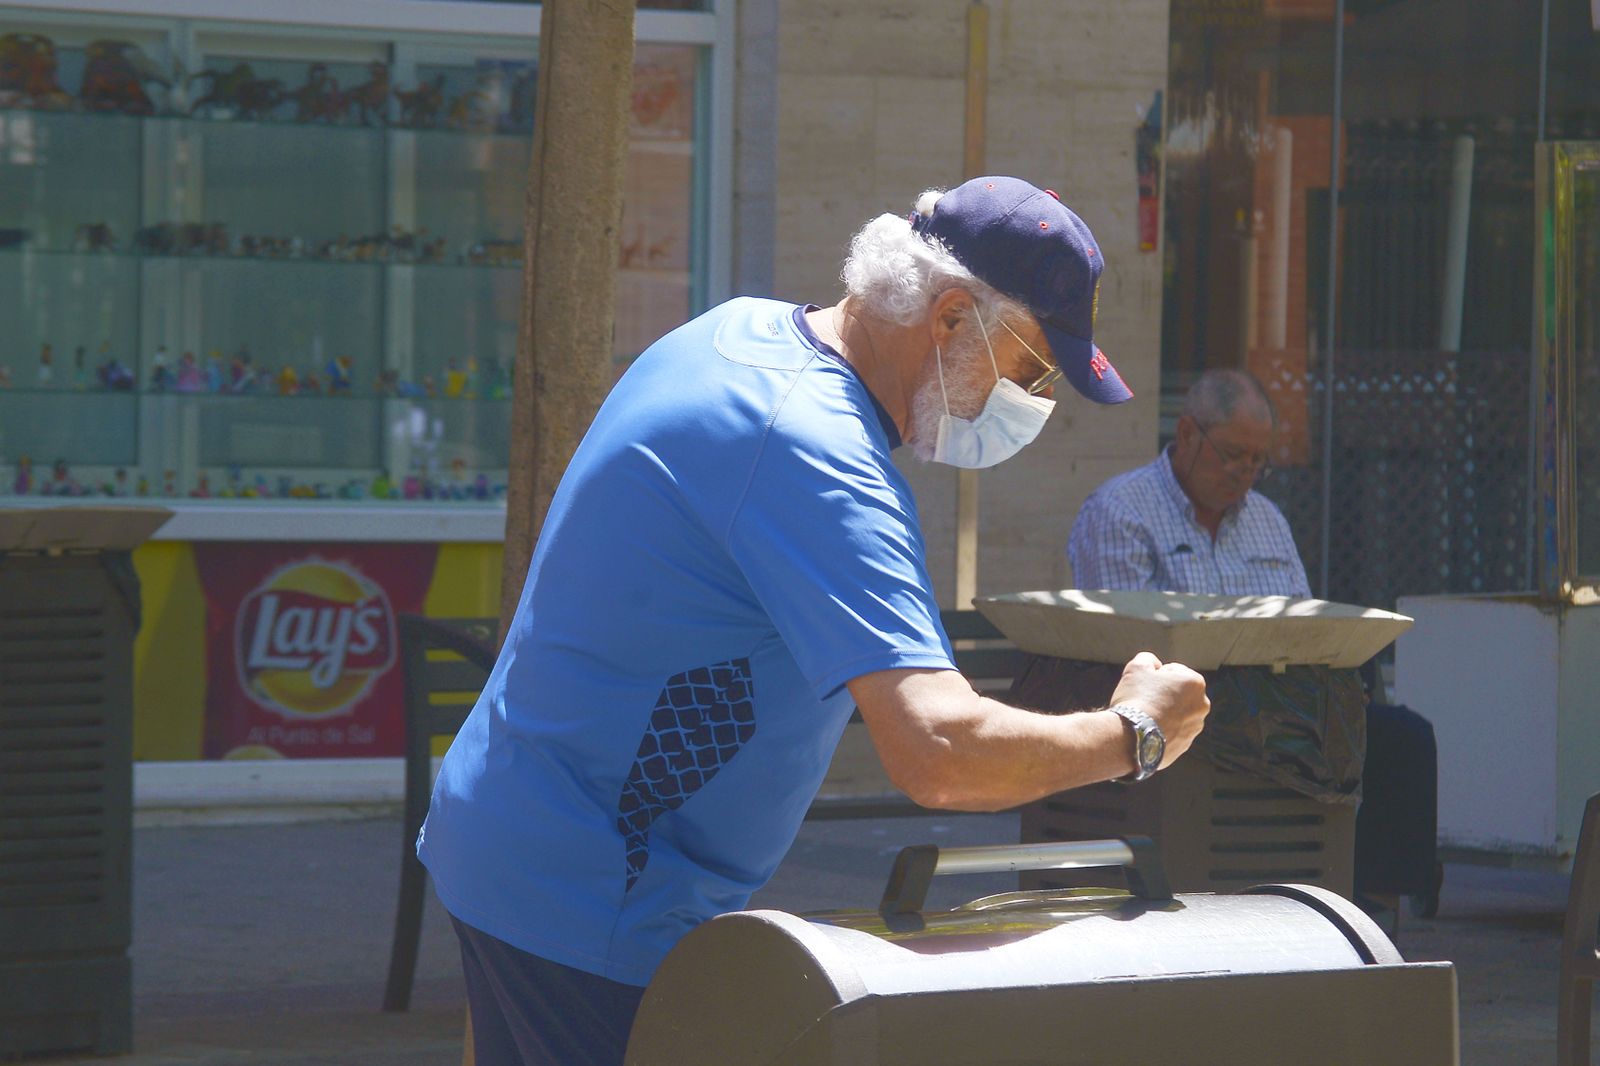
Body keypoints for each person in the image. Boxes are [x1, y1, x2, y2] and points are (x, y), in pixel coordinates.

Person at [418, 176, 1212, 1065]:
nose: (1033, 401)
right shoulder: (816, 454)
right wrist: (1133, 732)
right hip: (593, 896)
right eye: (1032, 368)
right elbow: (939, 753)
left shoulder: (738, 332)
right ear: (951, 319)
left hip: (519, 840)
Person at [1066, 367, 1311, 597]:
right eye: (1232, 455)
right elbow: (1124, 634)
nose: (1244, 473)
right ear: (1187, 434)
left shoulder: (1269, 520)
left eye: (1257, 460)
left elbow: (1304, 628)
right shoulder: (1119, 514)